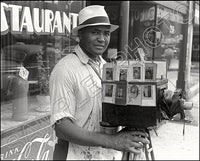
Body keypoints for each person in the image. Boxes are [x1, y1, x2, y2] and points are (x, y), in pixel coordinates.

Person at [49, 5, 149, 160]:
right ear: (80, 34)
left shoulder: (105, 66)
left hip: (104, 155)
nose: (102, 39)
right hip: (73, 156)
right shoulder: (65, 69)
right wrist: (113, 141)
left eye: (106, 33)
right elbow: (62, 127)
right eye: (95, 32)